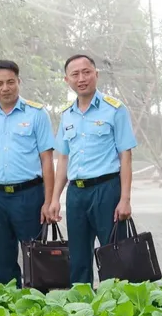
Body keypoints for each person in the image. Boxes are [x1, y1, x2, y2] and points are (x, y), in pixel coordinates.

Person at [0, 60, 57, 287]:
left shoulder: (36, 114)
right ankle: (10, 303)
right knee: (2, 256)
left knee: (34, 255)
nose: (5, 88)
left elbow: (47, 160)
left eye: (10, 82)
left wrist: (49, 201)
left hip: (29, 195)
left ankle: (37, 304)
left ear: (19, 82)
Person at [52, 54, 137, 286]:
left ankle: (116, 307)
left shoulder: (114, 109)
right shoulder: (66, 115)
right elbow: (63, 160)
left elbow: (125, 156)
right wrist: (54, 199)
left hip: (107, 191)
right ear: (67, 80)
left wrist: (125, 199)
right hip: (77, 194)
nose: (82, 78)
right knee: (78, 257)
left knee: (113, 254)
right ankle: (82, 309)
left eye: (86, 72)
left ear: (96, 75)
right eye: (75, 74)